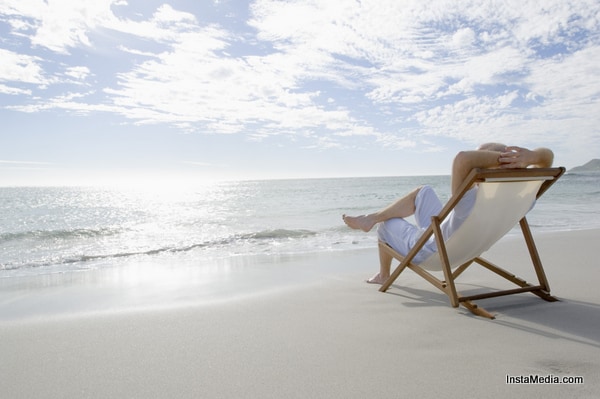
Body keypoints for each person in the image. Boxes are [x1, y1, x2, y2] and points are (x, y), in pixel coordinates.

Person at [343, 144, 554, 284]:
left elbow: (462, 159)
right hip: (464, 243)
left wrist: (505, 157)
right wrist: (532, 156)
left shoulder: (469, 200)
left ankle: (383, 272)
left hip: (432, 251)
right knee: (423, 192)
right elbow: (548, 157)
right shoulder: (525, 197)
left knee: (385, 224)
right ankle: (369, 218)